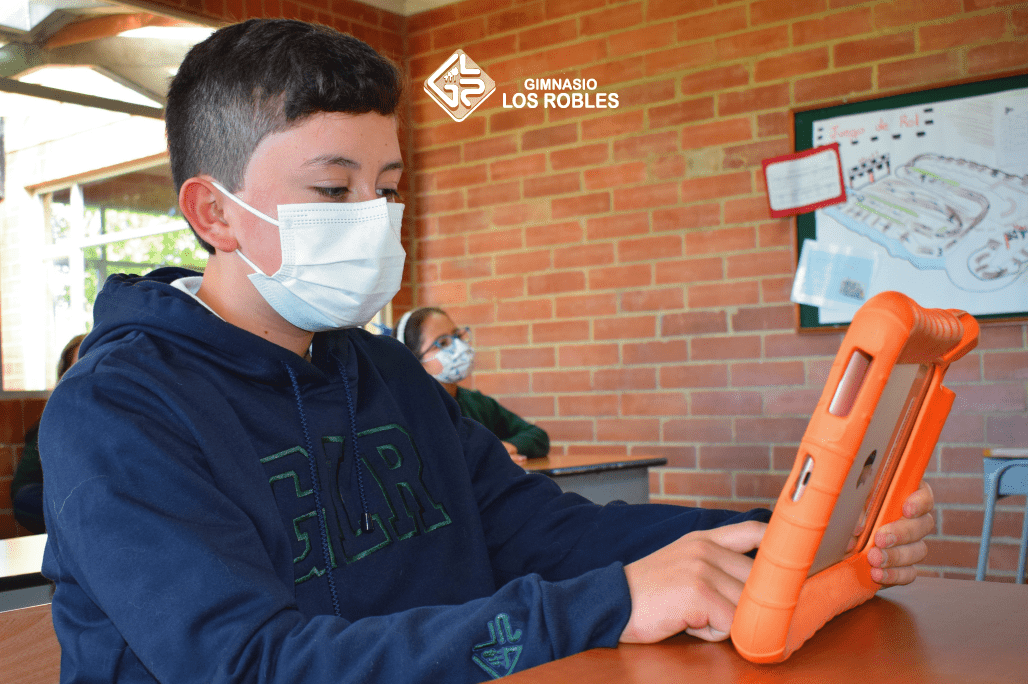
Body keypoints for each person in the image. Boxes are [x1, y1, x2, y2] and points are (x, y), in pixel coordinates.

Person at [37, 19, 936, 684]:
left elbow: (541, 530)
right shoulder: (119, 412)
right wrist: (611, 604)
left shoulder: (385, 370)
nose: (374, 221)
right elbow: (249, 663)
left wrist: (788, 538)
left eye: (386, 190)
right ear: (214, 213)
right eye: (332, 189)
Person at [394, 306, 549, 463]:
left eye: (457, 336)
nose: (458, 346)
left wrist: (507, 447)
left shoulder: (476, 402)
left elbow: (538, 436)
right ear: (413, 360)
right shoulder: (408, 412)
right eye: (442, 343)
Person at [10, 333, 85, 534]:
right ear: (64, 377)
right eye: (79, 368)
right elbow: (22, 495)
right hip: (73, 518)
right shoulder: (53, 422)